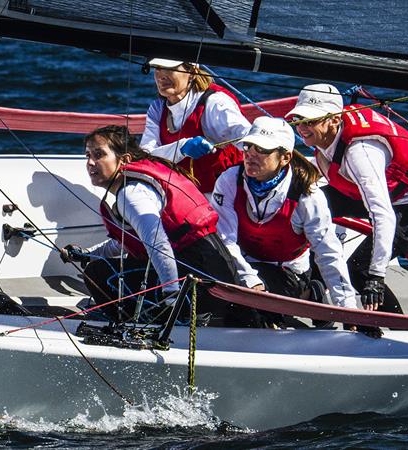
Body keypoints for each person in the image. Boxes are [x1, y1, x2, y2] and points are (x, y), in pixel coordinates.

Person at [62, 125, 254, 326]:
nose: (90, 162)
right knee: (99, 265)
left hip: (199, 284)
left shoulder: (132, 193)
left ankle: (126, 326)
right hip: (211, 273)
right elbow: (128, 242)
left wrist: (170, 297)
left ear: (125, 160)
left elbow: (158, 244)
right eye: (88, 155)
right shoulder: (136, 186)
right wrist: (87, 254)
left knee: (97, 273)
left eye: (99, 154)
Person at [287, 83, 408, 311]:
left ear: (334, 120)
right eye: (298, 120)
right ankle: (312, 283)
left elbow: (383, 215)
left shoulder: (360, 154)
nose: (302, 128)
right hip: (379, 193)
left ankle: (396, 327)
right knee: (304, 205)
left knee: (360, 270)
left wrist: (376, 276)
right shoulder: (327, 137)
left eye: (310, 121)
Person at [210, 116, 358, 327]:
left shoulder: (307, 196)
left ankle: (311, 292)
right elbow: (225, 240)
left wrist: (348, 309)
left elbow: (328, 253)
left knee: (245, 310)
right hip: (245, 264)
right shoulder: (229, 180)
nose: (251, 154)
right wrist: (251, 282)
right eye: (248, 146)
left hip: (287, 272)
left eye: (262, 149)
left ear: (285, 158)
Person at [140, 58, 250, 194]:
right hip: (185, 198)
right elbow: (145, 156)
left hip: (226, 197)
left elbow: (247, 139)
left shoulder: (215, 103)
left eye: (169, 68)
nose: (161, 75)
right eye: (157, 68)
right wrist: (181, 148)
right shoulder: (157, 109)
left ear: (191, 72)